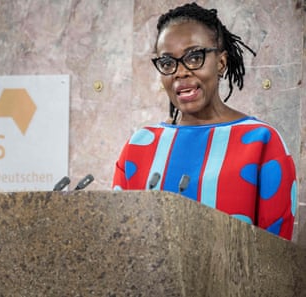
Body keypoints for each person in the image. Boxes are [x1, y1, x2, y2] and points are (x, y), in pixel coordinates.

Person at [112, 2, 297, 240]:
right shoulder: (138, 146)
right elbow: (119, 243)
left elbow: (276, 257)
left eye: (194, 57)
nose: (180, 72)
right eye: (168, 62)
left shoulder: (262, 142)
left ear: (220, 63)